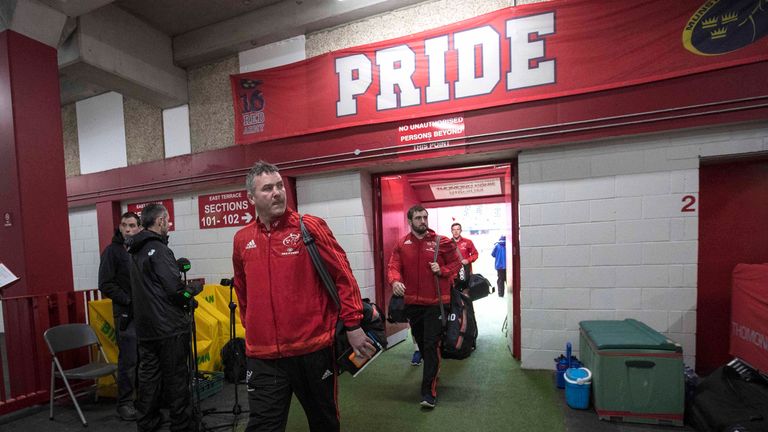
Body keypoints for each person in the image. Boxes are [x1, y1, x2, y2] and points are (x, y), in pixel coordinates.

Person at [232, 161, 374, 432]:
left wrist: (353, 324)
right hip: (263, 356)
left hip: (312, 350)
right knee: (262, 426)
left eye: (279, 186)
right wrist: (254, 329)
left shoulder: (308, 227)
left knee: (324, 422)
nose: (277, 192)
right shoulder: (242, 239)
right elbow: (243, 290)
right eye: (267, 188)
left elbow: (343, 275)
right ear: (251, 197)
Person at [387, 205, 462, 409]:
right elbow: (393, 267)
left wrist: (443, 269)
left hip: (437, 304)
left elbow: (458, 263)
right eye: (418, 218)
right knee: (421, 342)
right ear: (410, 221)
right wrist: (395, 281)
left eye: (425, 217)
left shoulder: (442, 242)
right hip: (413, 304)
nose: (423, 221)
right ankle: (432, 372)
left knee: (430, 345)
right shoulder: (402, 244)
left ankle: (428, 391)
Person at [128, 203, 193, 432]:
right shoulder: (159, 249)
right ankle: (182, 427)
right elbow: (175, 290)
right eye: (167, 220)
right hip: (169, 328)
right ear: (160, 221)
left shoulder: (134, 250)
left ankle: (147, 424)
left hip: (146, 330)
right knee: (176, 381)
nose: (169, 224)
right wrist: (191, 294)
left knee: (149, 381)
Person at [97, 211, 141, 421]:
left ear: (139, 228)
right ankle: (124, 403)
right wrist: (127, 300)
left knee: (144, 360)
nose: (128, 229)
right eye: (124, 225)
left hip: (144, 314)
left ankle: (143, 400)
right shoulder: (112, 252)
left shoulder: (140, 249)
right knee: (129, 360)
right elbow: (105, 284)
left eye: (132, 225)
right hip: (125, 314)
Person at [450, 222, 479, 294]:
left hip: (466, 273)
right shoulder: (448, 243)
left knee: (466, 296)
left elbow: (475, 254)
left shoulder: (468, 242)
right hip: (453, 275)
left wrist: (468, 260)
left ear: (461, 230)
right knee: (454, 297)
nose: (456, 231)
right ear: (451, 231)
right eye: (454, 230)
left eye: (458, 229)